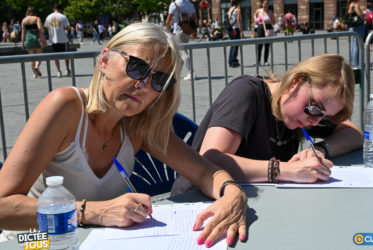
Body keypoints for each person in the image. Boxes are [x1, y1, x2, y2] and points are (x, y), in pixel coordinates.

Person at [0, 23, 247, 248]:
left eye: (159, 80)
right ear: (105, 60)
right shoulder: (65, 107)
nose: (144, 85)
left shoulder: (140, 126)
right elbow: (3, 206)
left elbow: (204, 172)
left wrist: (232, 193)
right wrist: (94, 212)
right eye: (137, 67)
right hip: (30, 240)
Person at [172, 54, 363, 193]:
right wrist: (285, 170)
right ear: (296, 82)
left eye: (324, 116)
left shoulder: (302, 114)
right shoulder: (245, 93)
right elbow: (211, 158)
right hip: (196, 202)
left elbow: (357, 134)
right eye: (315, 108)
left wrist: (321, 150)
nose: (315, 120)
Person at [165, 0, 198, 81]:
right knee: (180, 54)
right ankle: (177, 73)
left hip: (178, 30)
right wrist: (194, 31)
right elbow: (195, 18)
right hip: (187, 30)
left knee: (183, 53)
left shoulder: (174, 4)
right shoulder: (190, 4)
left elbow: (168, 20)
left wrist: (165, 30)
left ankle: (191, 72)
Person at [44, 3, 71, 78]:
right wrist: (70, 28)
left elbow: (47, 28)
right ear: (60, 10)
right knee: (66, 55)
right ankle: (67, 69)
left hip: (53, 39)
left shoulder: (48, 17)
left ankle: (59, 71)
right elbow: (66, 27)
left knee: (56, 57)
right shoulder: (63, 16)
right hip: (63, 39)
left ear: (53, 9)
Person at [21, 7, 45, 78]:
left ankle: (35, 73)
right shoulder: (37, 18)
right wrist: (41, 32)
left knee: (32, 57)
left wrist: (22, 43)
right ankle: (37, 66)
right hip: (36, 36)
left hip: (28, 37)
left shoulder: (24, 20)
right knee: (39, 55)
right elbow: (40, 28)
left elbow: (23, 32)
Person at [253, 0, 275, 66]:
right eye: (265, 3)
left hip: (268, 28)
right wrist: (255, 20)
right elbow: (254, 15)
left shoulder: (270, 12)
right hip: (260, 28)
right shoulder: (259, 11)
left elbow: (274, 22)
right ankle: (258, 61)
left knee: (267, 45)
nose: (266, 5)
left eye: (267, 4)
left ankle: (265, 61)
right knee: (259, 45)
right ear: (262, 4)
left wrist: (269, 21)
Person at [346, 0, 365, 68]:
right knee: (357, 45)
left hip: (353, 27)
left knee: (353, 46)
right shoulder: (355, 5)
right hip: (358, 27)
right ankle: (356, 64)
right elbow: (360, 15)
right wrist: (363, 16)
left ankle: (353, 63)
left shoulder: (349, 5)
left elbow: (348, 15)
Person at [227, 0, 244, 68]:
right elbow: (238, 21)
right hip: (236, 29)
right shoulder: (238, 10)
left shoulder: (230, 9)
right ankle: (233, 62)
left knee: (232, 45)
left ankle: (230, 61)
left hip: (230, 30)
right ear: (238, 2)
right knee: (236, 46)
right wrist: (241, 31)